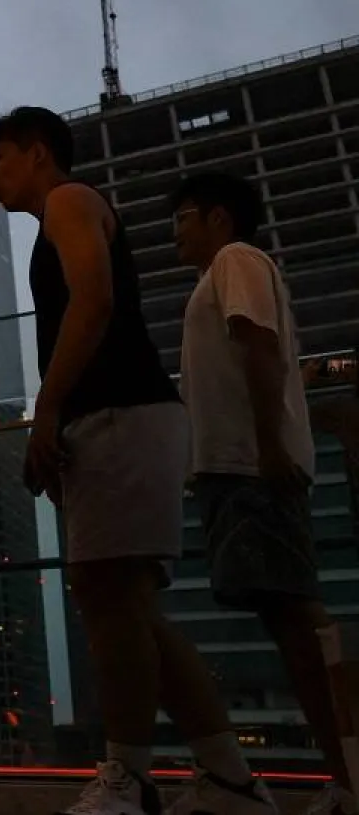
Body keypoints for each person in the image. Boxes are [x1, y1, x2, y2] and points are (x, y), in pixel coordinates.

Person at [0, 107, 274, 815]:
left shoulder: (69, 199)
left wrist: (48, 409)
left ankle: (130, 778)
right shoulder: (59, 215)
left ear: (39, 153)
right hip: (121, 416)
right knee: (128, 606)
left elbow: (95, 300)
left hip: (119, 412)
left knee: (109, 598)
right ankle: (230, 779)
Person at [171, 171, 354, 815]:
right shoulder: (220, 273)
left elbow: (257, 343)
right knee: (291, 623)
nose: (175, 230)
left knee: (300, 624)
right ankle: (346, 775)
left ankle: (350, 777)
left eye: (185, 216)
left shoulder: (236, 260)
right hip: (239, 469)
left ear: (220, 218)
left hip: (250, 469)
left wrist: (269, 444)